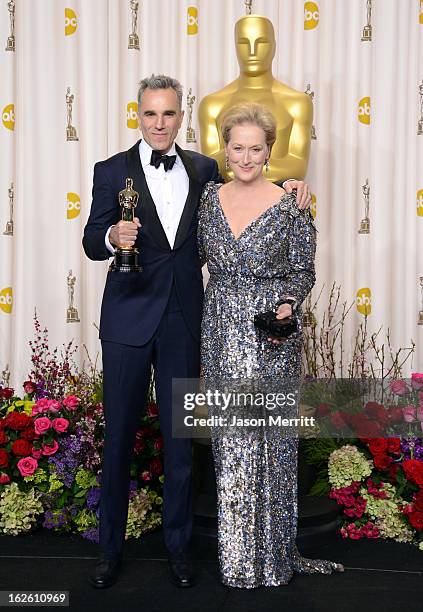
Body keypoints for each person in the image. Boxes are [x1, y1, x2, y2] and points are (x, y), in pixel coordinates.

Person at [83, 74, 311, 590]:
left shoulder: (206, 170)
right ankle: (109, 553)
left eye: (168, 114)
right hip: (126, 321)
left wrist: (294, 187)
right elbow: (91, 241)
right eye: (149, 114)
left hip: (187, 323)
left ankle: (179, 551)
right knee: (118, 438)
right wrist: (109, 234)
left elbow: (248, 195)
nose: (159, 123)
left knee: (180, 443)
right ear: (136, 115)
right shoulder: (110, 171)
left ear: (181, 116)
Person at [198, 102, 344, 588]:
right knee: (232, 445)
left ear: (269, 151)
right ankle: (239, 562)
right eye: (236, 147)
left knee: (272, 444)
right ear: (225, 148)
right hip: (220, 330)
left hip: (270, 337)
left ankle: (274, 558)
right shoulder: (206, 200)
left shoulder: (291, 204)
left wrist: (286, 305)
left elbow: (303, 271)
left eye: (254, 148)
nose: (245, 157)